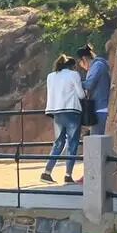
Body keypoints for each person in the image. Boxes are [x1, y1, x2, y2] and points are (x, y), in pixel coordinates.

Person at [41, 53, 84, 184]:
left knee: (59, 142)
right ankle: (68, 175)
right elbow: (81, 95)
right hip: (72, 112)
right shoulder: (73, 75)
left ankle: (46, 172)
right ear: (71, 66)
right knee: (72, 143)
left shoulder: (51, 76)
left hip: (57, 113)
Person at [76, 43, 111, 139]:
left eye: (79, 62)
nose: (81, 66)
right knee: (96, 141)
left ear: (84, 59)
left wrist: (76, 83)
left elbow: (89, 84)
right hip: (97, 108)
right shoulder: (95, 67)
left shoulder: (97, 66)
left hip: (100, 108)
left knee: (96, 142)